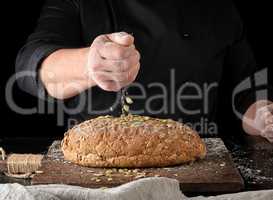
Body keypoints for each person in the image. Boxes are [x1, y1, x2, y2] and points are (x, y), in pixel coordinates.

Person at [16, 0, 273, 142]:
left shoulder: (218, 7)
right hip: (95, 168)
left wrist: (262, 117)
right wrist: (88, 64)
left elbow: (247, 89)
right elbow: (31, 67)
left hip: (198, 168)